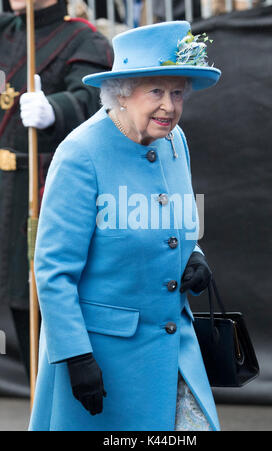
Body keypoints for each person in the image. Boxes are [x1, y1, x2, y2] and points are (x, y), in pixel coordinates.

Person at [28, 21, 221, 431]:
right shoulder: (80, 153)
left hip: (174, 350)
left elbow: (182, 219)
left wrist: (195, 257)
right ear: (122, 92)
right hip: (104, 359)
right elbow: (52, 270)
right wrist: (76, 356)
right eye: (156, 91)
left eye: (177, 92)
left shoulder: (175, 140)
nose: (169, 106)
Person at [0, 0, 113, 380]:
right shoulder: (6, 30)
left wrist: (54, 109)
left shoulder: (82, 40)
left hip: (37, 186)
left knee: (33, 301)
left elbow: (95, 100)